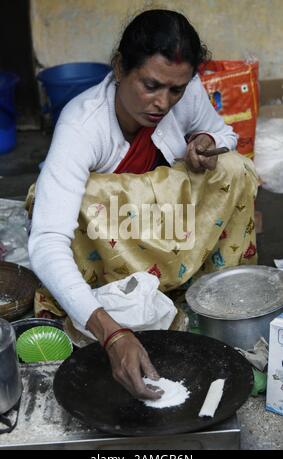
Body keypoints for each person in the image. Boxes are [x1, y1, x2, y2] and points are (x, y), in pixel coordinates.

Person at [28, 9, 258, 400]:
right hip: (111, 239)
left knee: (234, 169)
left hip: (169, 225)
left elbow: (224, 134)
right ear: (120, 68)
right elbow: (47, 240)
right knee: (81, 197)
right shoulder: (82, 125)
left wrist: (205, 141)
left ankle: (207, 292)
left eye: (176, 90)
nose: (163, 103)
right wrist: (113, 332)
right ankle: (99, 303)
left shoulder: (182, 90)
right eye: (150, 85)